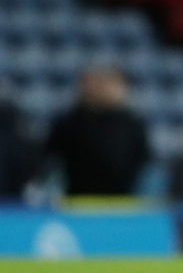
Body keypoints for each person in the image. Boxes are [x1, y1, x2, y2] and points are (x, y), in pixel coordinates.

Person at [44, 67, 151, 196]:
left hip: (123, 204)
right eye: (94, 82)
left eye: (106, 83)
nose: (99, 88)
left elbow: (144, 162)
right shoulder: (69, 123)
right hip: (76, 202)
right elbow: (52, 161)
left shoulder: (132, 125)